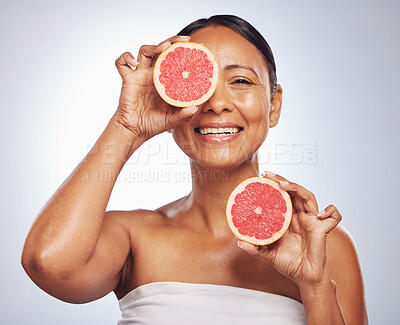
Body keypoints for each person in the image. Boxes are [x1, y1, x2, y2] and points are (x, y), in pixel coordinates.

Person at [21, 14, 368, 325]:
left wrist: (316, 284)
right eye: (199, 85)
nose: (217, 104)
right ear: (168, 98)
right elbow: (48, 263)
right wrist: (128, 126)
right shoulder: (133, 238)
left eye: (241, 82)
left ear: (274, 105)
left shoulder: (322, 245)